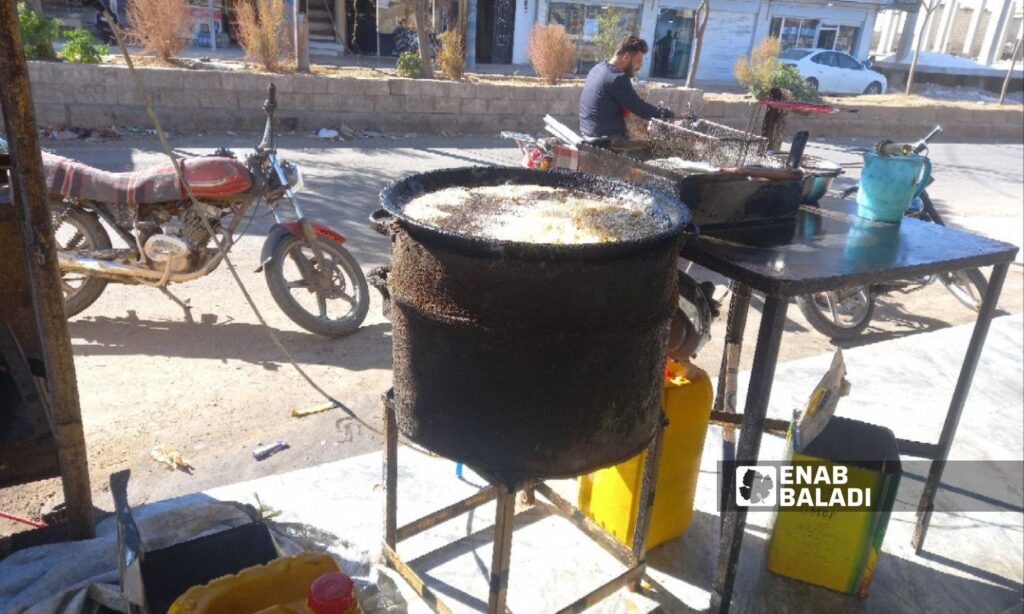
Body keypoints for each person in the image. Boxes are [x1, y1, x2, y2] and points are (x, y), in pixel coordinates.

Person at [579, 35, 674, 142]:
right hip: (607, 140)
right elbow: (640, 108)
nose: (640, 66)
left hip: (588, 133)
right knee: (652, 145)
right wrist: (666, 114)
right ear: (626, 57)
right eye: (638, 61)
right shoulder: (617, 78)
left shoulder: (598, 68)